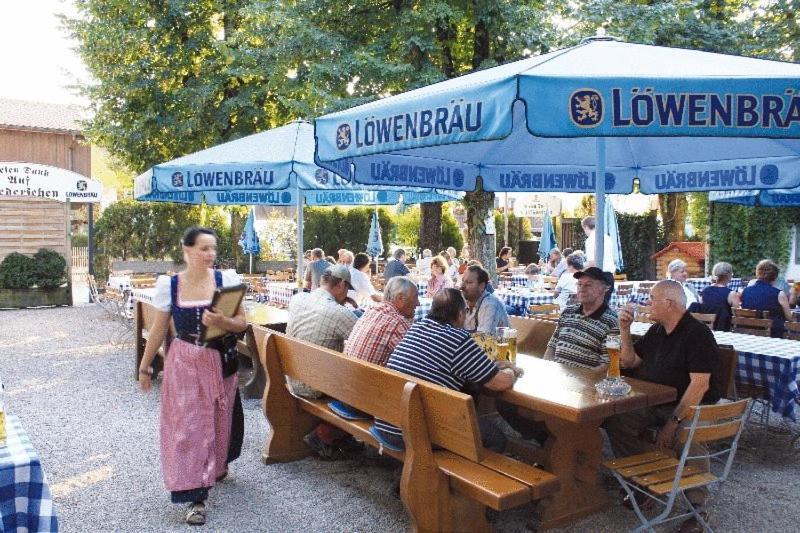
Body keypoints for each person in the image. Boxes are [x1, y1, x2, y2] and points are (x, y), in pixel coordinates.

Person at [138, 227, 248, 526]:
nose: (210, 254)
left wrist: (223, 320)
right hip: (184, 362)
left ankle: (215, 467)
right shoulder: (170, 286)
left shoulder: (227, 281)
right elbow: (160, 329)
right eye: (203, 248)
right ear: (186, 250)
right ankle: (195, 496)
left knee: (218, 421)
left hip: (221, 361)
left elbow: (242, 323)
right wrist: (145, 366)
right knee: (188, 428)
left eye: (212, 248)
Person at [605, 280, 721, 532]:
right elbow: (630, 360)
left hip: (691, 405)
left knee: (687, 436)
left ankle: (697, 509)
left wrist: (673, 422)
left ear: (669, 303)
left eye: (651, 298)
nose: (647, 303)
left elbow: (699, 386)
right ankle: (647, 481)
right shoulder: (657, 331)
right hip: (655, 402)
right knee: (616, 419)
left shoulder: (697, 333)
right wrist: (624, 329)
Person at [372, 288, 522, 452]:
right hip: (412, 433)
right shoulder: (459, 339)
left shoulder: (417, 327)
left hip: (387, 422)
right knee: (496, 437)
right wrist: (512, 371)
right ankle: (465, 476)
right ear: (459, 314)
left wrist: (491, 366)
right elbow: (499, 383)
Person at [287, 265, 361, 459]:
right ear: (342, 285)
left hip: (292, 376)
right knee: (365, 379)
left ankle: (336, 434)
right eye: (347, 289)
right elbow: (363, 339)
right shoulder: (337, 312)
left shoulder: (298, 299)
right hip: (315, 386)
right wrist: (350, 309)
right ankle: (331, 433)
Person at [544, 267, 618, 369]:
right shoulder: (568, 312)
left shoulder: (612, 322)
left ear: (605, 288)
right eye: (579, 284)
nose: (582, 288)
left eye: (588, 285)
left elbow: (607, 366)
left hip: (587, 382)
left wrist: (580, 380)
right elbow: (551, 348)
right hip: (558, 378)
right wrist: (547, 369)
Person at [345, 277, 419, 365]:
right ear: (400, 298)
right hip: (365, 377)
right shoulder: (396, 322)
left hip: (347, 372)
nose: (418, 303)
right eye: (415, 297)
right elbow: (415, 359)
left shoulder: (371, 310)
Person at [740, 259, 793, 337]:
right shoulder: (779, 294)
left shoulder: (745, 291)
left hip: (748, 333)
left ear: (757, 273)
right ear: (775, 277)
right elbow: (789, 318)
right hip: (774, 336)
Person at [462, 264, 509, 333]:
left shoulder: (490, 304)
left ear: (481, 286)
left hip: (495, 343)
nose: (462, 286)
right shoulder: (462, 302)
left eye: (469, 282)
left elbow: (483, 339)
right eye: (463, 281)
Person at [699, 262, 740, 331]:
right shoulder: (731, 294)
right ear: (729, 276)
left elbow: (701, 308)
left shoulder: (705, 291)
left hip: (706, 330)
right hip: (724, 330)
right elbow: (738, 315)